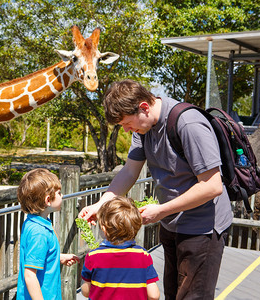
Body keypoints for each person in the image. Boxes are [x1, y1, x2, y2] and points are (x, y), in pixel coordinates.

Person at [78, 79, 233, 300]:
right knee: (172, 294)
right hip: (171, 224)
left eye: (127, 123)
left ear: (144, 107)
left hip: (203, 227)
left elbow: (212, 185)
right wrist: (101, 204)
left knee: (192, 296)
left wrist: (161, 210)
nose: (126, 129)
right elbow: (130, 171)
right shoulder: (142, 128)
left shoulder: (187, 123)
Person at [16, 168, 80, 300]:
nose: (62, 196)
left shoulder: (33, 222)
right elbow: (30, 275)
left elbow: (37, 256)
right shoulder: (39, 233)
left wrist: (58, 257)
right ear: (48, 200)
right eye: (59, 193)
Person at [81, 196, 160, 300]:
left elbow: (86, 292)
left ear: (104, 229)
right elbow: (154, 295)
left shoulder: (93, 256)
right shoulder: (142, 255)